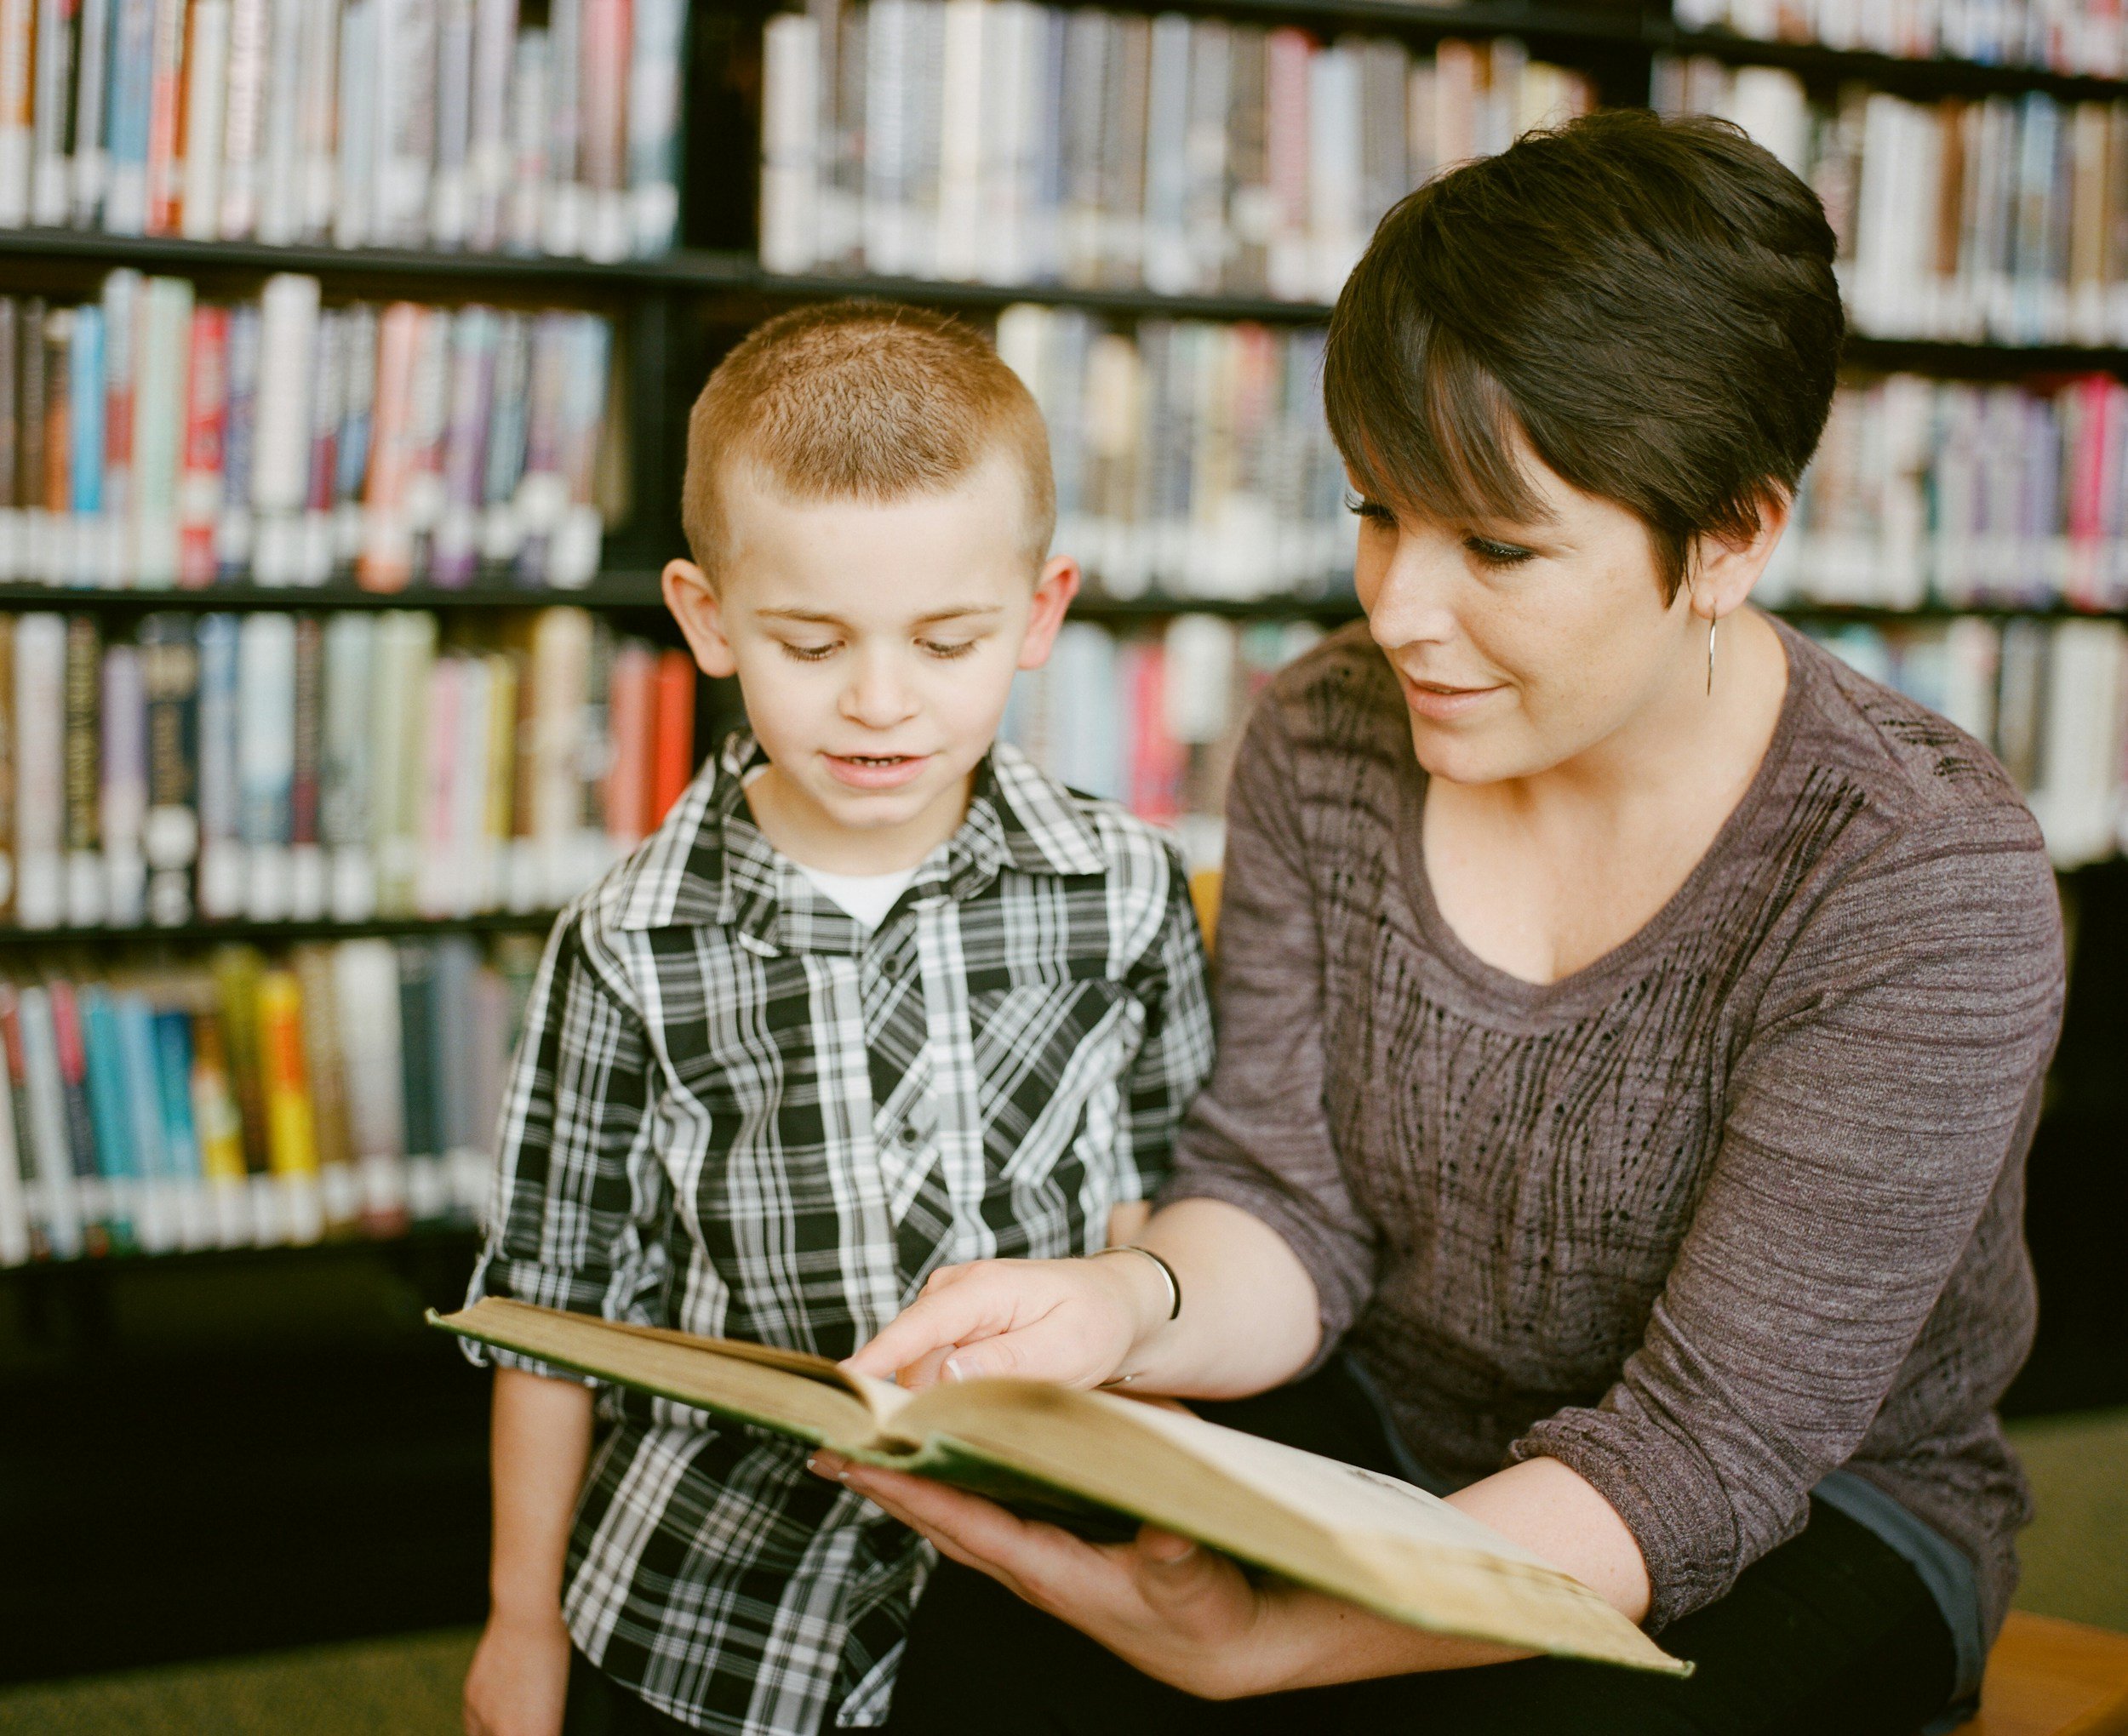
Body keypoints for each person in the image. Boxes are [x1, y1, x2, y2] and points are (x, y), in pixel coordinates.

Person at [826, 111, 2068, 1736]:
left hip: (1813, 1519)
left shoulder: (1915, 877)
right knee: (995, 1647)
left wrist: (1273, 1639)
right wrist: (1121, 1308)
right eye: (1377, 512)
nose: (1400, 610)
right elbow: (1287, 1208)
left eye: (1496, 545)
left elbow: (1704, 1460)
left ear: (1734, 539)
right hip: (1396, 1427)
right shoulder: (1325, 735)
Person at [457, 302, 1215, 1736]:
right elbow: (544, 1316)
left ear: (1041, 613)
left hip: (1046, 1581)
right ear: (709, 620)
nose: (881, 703)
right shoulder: (628, 942)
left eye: (946, 641)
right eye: (813, 642)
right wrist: (517, 1621)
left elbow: (1167, 1205)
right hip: (717, 1607)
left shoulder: (1120, 886)